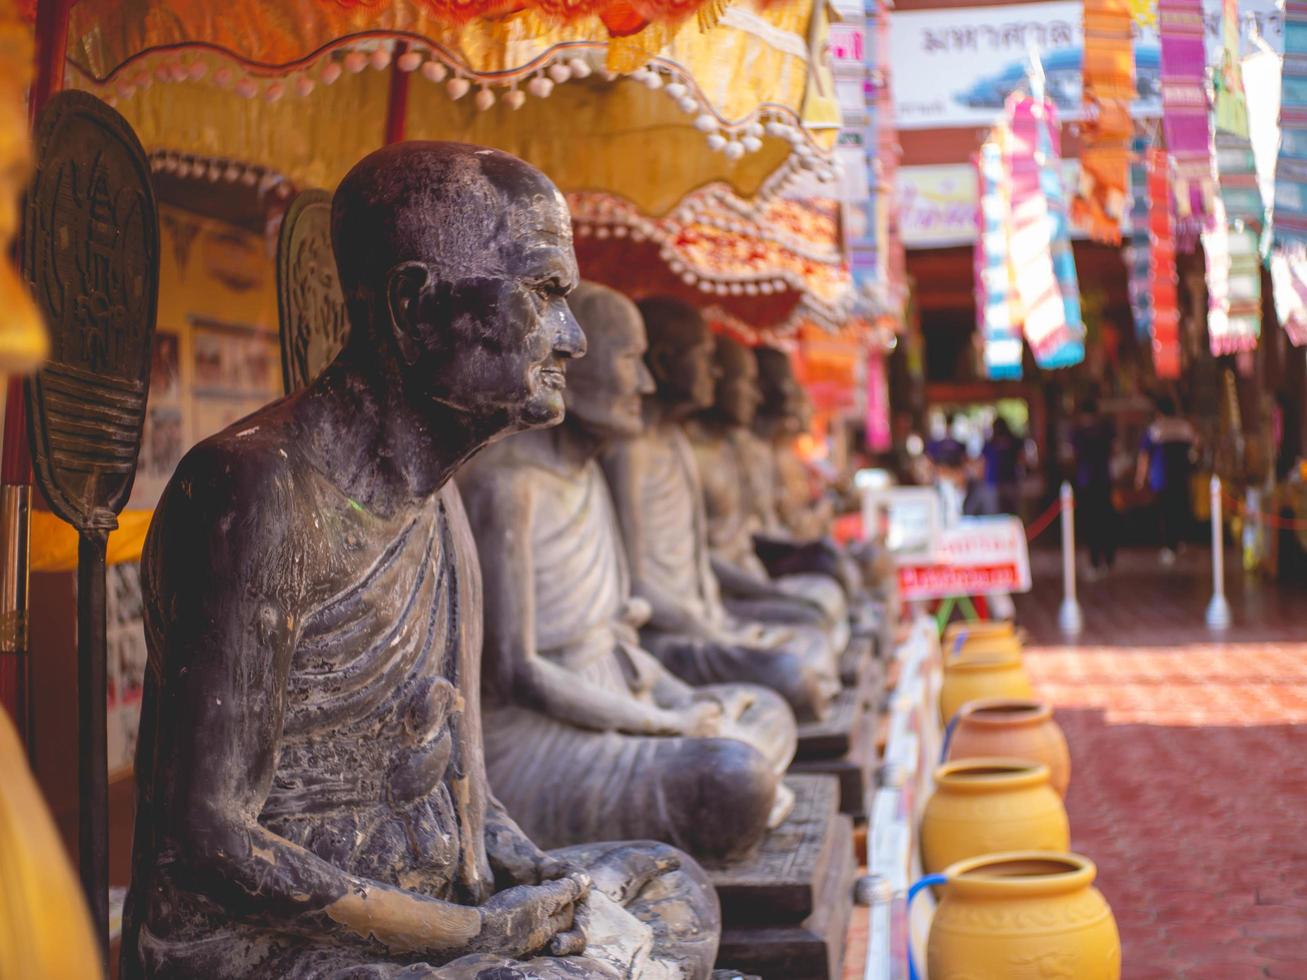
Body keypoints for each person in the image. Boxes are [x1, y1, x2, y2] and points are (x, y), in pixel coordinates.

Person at [121, 143, 720, 980]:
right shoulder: (255, 487)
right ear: (413, 305)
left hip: (441, 898)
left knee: (670, 882)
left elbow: (465, 778)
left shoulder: (438, 497)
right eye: (545, 294)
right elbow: (210, 833)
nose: (572, 341)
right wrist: (466, 936)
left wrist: (533, 873)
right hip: (280, 948)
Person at [1136, 395, 1198, 567]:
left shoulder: (1155, 429)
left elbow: (1144, 455)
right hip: (1181, 476)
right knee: (1180, 509)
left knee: (1165, 512)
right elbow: (1196, 444)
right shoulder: (1184, 427)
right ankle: (1179, 543)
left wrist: (1140, 478)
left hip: (1161, 477)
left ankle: (1168, 546)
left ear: (1158, 412)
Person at [1071, 395, 1117, 578]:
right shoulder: (1106, 430)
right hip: (1104, 480)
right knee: (1106, 520)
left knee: (1091, 523)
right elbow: (1114, 451)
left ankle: (1095, 561)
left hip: (1086, 482)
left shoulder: (1077, 433)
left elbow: (1073, 457)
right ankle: (1108, 559)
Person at [981, 417, 1024, 517]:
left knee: (999, 514)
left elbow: (983, 463)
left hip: (1002, 482)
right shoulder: (990, 443)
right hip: (998, 482)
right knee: (1002, 514)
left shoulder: (1013, 442)